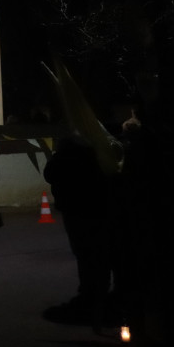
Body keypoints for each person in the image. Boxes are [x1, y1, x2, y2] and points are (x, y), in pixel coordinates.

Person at [43, 136, 111, 324]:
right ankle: (99, 293)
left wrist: (57, 156)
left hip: (76, 211)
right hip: (94, 210)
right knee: (97, 253)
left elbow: (49, 173)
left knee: (85, 253)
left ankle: (90, 293)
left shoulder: (64, 160)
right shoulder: (93, 158)